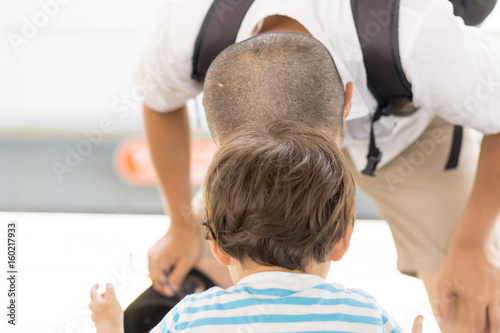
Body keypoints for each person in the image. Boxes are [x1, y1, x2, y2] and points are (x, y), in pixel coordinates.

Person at [134, 1, 500, 331]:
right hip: (282, 149)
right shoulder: (188, 28)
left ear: (347, 100)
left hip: (411, 140)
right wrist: (181, 226)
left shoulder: (418, 38)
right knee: (175, 285)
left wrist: (472, 245)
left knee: (474, 308)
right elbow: (159, 102)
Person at [91, 120, 425, 332]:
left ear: (218, 246)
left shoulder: (192, 317)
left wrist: (110, 326)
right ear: (341, 240)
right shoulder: (362, 315)